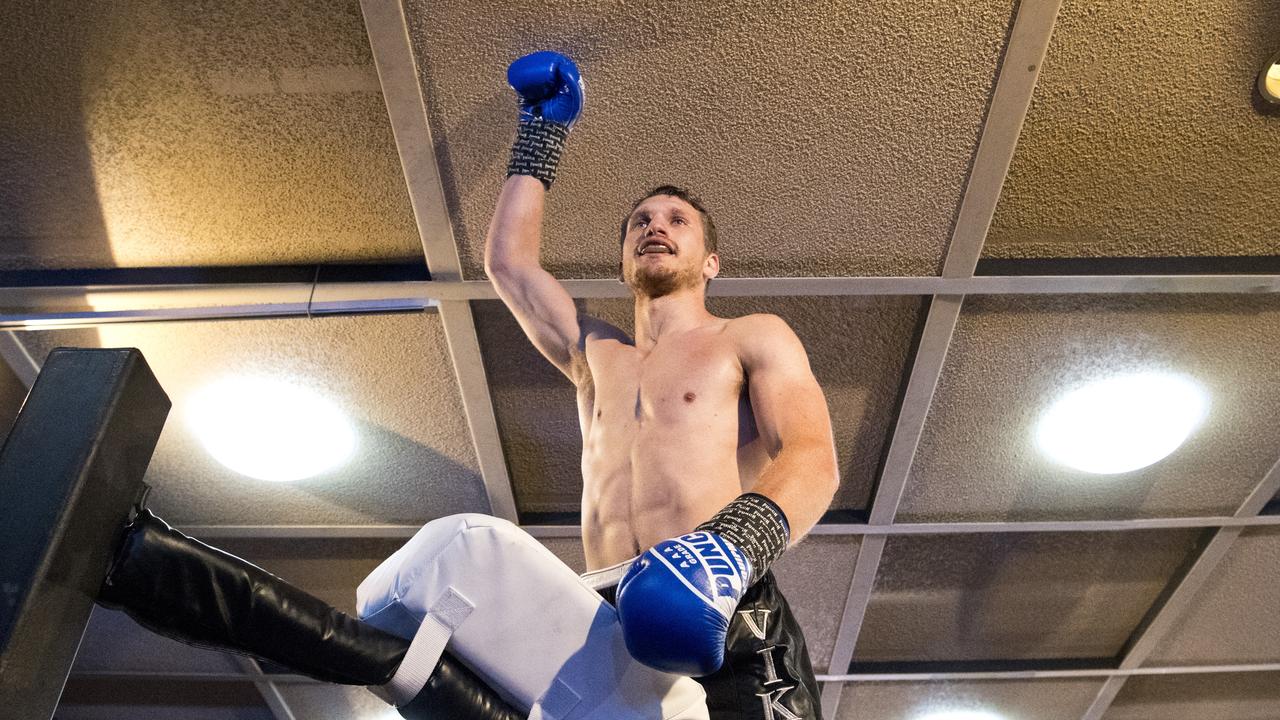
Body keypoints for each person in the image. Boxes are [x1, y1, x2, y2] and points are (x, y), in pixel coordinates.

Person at [486, 51, 840, 720]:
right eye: (641, 221)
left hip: (722, 595)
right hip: (601, 614)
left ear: (710, 262)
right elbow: (509, 263)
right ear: (625, 260)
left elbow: (812, 456)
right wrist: (540, 134)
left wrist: (731, 547)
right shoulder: (594, 352)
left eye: (677, 219)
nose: (656, 225)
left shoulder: (750, 336)